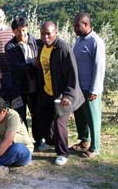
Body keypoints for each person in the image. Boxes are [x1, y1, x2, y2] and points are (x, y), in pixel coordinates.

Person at [36, 21, 84, 166]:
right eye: (43, 33)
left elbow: (72, 73)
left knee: (59, 123)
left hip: (62, 93)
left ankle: (63, 153)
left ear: (56, 32)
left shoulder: (63, 48)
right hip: (47, 91)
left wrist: (68, 95)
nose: (45, 37)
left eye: (49, 33)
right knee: (42, 117)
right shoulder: (41, 46)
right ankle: (51, 141)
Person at [72, 13, 106, 158]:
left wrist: (95, 89)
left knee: (93, 118)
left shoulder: (96, 41)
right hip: (78, 89)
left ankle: (95, 147)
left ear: (85, 24)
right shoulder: (79, 40)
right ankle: (84, 141)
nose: (74, 29)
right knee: (80, 116)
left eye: (76, 26)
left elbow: (99, 67)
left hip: (90, 88)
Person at [5, 17, 39, 132]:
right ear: (13, 31)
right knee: (20, 114)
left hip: (35, 84)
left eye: (24, 30)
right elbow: (15, 67)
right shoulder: (10, 46)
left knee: (37, 113)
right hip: (19, 85)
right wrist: (32, 64)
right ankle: (23, 138)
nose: (22, 33)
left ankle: (38, 139)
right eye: (18, 31)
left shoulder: (34, 42)